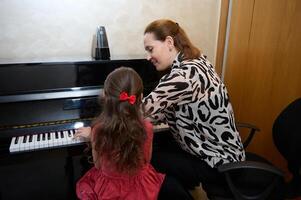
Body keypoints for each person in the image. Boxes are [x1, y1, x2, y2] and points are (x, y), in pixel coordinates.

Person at [142, 19, 246, 198]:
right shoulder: (197, 61)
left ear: (169, 42)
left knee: (149, 159)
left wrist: (97, 128)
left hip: (217, 161)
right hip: (224, 152)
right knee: (163, 145)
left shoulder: (184, 75)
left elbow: (142, 111)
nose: (148, 57)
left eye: (150, 49)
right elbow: (159, 111)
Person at [75, 67, 165, 200]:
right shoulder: (147, 127)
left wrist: (92, 135)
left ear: (105, 96)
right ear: (140, 97)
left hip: (110, 189)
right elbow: (147, 160)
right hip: (141, 189)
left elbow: (98, 165)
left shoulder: (98, 130)